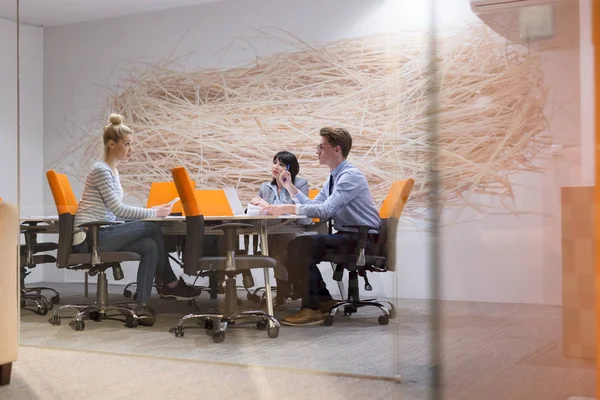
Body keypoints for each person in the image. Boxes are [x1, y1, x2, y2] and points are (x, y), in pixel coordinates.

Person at [72, 113, 202, 312]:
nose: (131, 149)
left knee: (149, 245)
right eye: (127, 144)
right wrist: (153, 212)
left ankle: (141, 303)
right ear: (111, 144)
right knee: (151, 227)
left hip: (104, 231)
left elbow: (115, 213)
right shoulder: (101, 170)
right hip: (91, 237)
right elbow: (118, 209)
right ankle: (170, 283)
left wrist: (152, 212)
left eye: (132, 144)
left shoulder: (114, 172)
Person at [261, 127, 381, 326]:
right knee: (297, 247)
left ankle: (312, 308)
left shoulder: (350, 176)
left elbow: (325, 211)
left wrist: (287, 207)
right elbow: (315, 204)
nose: (317, 151)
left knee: (299, 246)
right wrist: (290, 187)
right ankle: (323, 300)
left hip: (362, 240)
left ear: (336, 149)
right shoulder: (334, 176)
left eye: (321, 146)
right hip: (350, 236)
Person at [250, 151, 309, 307]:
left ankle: (283, 291)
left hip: (294, 230)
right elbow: (260, 210)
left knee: (279, 243)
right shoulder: (265, 187)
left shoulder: (300, 185)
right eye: (275, 162)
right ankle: (288, 287)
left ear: (291, 169)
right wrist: (255, 203)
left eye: (281, 164)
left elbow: (299, 210)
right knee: (277, 241)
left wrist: (268, 206)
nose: (276, 166)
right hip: (272, 231)